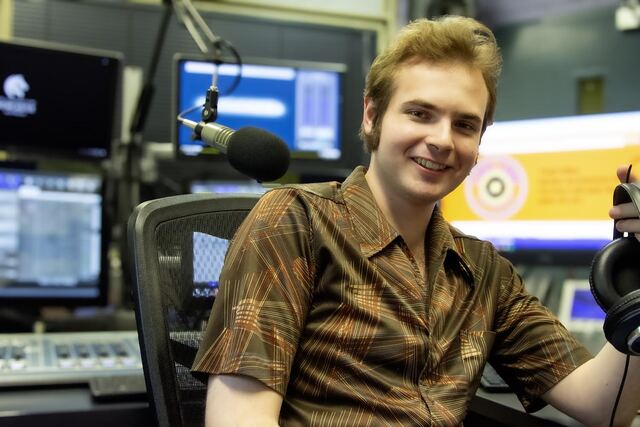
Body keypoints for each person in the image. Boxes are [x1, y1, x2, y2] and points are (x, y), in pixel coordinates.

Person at [192, 15, 640, 426]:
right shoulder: (295, 222)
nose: (442, 140)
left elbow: (605, 405)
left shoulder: (484, 271)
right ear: (373, 116)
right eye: (420, 113)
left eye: (464, 125)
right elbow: (238, 419)